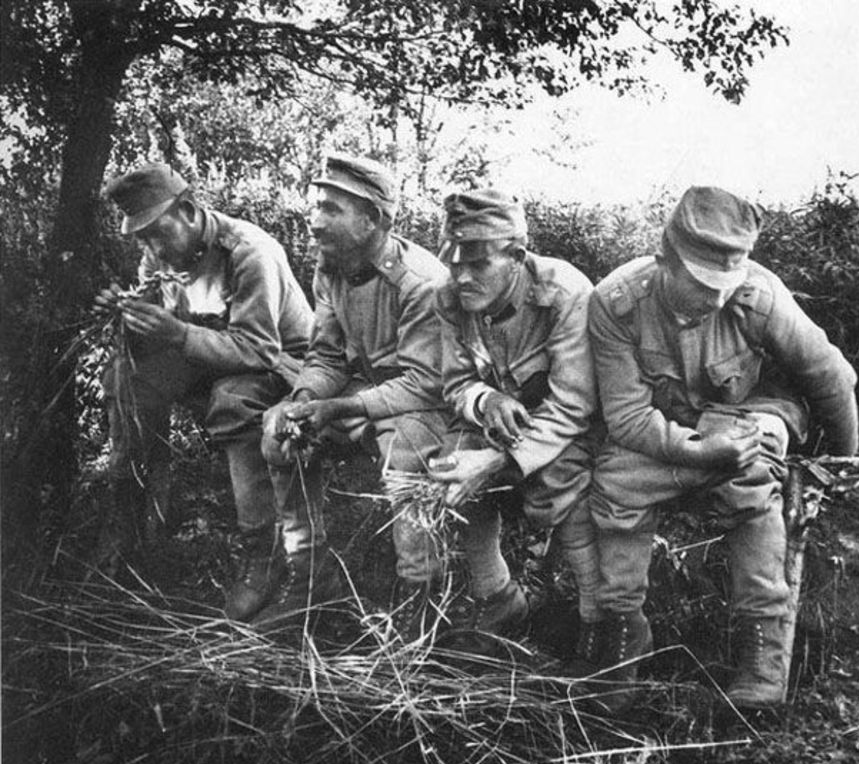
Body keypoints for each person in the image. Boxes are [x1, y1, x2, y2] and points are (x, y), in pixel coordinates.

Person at [586, 186, 859, 712]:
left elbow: (832, 378)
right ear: (665, 259)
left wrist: (843, 467)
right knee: (616, 480)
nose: (715, 299)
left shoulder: (759, 296)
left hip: (754, 412)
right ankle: (623, 635)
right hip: (671, 428)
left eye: (725, 285)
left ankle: (762, 650)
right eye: (701, 283)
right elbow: (627, 417)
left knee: (748, 477)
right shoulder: (617, 304)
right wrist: (698, 452)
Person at [96, 163, 313, 622]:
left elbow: (258, 349)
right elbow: (162, 335)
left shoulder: (248, 252)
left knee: (233, 398)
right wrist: (128, 319)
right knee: (127, 379)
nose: (152, 250)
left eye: (158, 233)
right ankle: (134, 526)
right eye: (143, 239)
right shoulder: (160, 258)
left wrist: (176, 333)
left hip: (288, 368)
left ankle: (263, 554)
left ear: (190, 211)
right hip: (212, 358)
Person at [258, 153, 451, 631]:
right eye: (317, 206)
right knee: (281, 435)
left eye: (331, 209)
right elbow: (326, 354)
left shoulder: (420, 283)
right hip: (364, 393)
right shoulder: (331, 268)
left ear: (373, 220)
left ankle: (421, 604)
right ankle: (311, 580)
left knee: (407, 454)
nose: (315, 221)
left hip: (426, 403)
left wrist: (337, 407)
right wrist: (304, 401)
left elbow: (425, 383)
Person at [427, 189, 603, 666]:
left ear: (517, 257)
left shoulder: (563, 293)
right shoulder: (450, 298)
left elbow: (575, 403)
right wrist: (486, 400)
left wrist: (498, 460)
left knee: (559, 477)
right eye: (453, 261)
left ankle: (597, 619)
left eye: (478, 263)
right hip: (504, 429)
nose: (462, 276)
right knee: (452, 461)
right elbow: (456, 383)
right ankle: (497, 596)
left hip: (573, 429)